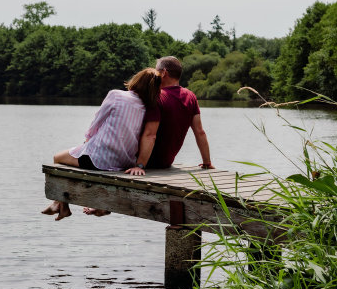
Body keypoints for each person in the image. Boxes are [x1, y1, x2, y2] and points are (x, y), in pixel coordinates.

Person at [42, 67, 161, 220]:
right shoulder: (147, 107)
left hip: (98, 159)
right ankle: (59, 204)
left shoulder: (116, 95)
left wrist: (87, 139)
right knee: (77, 156)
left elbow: (97, 120)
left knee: (57, 157)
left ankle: (62, 205)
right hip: (125, 161)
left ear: (137, 80)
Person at [124, 56, 213, 177]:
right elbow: (200, 132)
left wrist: (140, 165)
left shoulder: (157, 96)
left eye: (156, 71)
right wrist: (207, 162)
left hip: (145, 162)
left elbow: (150, 135)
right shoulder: (190, 96)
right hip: (166, 162)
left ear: (164, 72)